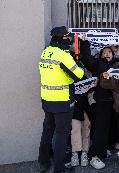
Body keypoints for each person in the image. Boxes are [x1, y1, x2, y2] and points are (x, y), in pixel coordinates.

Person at [38, 26, 84, 173]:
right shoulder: (63, 56)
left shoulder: (46, 51)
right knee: (62, 134)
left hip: (47, 99)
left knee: (48, 130)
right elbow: (78, 75)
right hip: (62, 101)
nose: (69, 40)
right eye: (67, 37)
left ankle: (43, 161)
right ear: (61, 38)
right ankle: (59, 168)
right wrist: (80, 65)